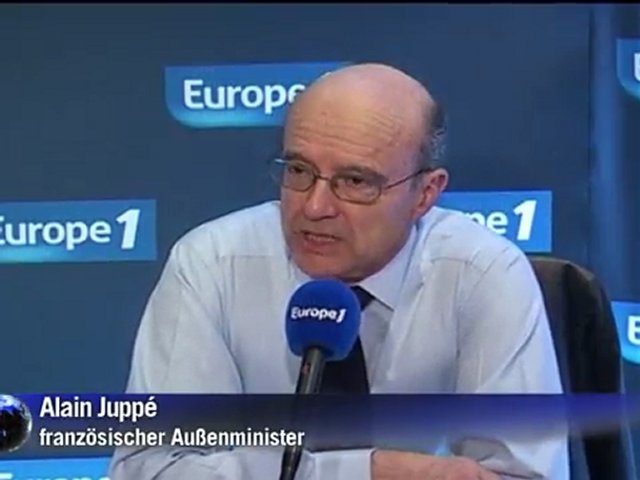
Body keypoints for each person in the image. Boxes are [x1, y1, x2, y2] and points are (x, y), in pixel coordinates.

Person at [109, 63, 569, 479]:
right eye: (299, 170)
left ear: (425, 194)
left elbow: (525, 474)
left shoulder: (483, 274)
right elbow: (152, 469)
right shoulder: (211, 265)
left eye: (355, 181)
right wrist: (369, 472)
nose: (314, 207)